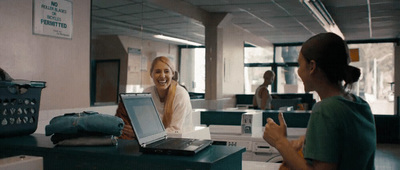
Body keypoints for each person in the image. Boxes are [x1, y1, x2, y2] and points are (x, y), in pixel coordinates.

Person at [263, 33, 376, 169]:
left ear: (312, 66)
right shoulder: (361, 105)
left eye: (299, 65)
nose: (298, 72)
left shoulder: (325, 110)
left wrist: (279, 141)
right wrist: (307, 141)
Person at [116, 56, 193, 139]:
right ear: (151, 74)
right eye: (158, 72)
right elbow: (143, 124)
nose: (162, 76)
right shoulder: (147, 93)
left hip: (181, 142)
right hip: (155, 142)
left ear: (172, 74)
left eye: (166, 71)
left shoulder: (180, 94)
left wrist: (141, 134)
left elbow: (175, 131)